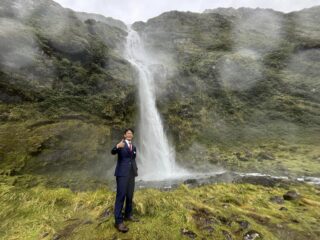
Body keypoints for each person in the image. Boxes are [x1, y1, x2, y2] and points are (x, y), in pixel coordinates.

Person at [111, 128, 139, 233]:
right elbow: (113, 151)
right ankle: (118, 221)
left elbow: (132, 159)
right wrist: (117, 146)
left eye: (131, 133)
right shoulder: (121, 144)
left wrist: (135, 169)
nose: (129, 134)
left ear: (132, 135)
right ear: (124, 135)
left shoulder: (134, 147)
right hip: (122, 174)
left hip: (131, 174)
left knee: (130, 196)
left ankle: (128, 215)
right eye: (128, 133)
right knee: (120, 196)